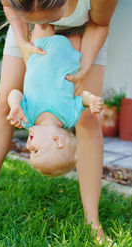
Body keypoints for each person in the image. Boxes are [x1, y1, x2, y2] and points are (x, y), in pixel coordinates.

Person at [0, 0, 118, 244]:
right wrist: (24, 43)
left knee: (87, 121)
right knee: (3, 106)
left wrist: (83, 67)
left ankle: (92, 220)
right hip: (29, 36)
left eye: (50, 18)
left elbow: (100, 22)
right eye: (36, 19)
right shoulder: (25, 15)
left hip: (87, 32)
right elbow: (11, 9)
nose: (46, 24)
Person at [7, 24, 104, 176]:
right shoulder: (70, 118)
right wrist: (91, 100)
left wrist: (14, 105)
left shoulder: (27, 119)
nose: (28, 146)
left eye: (29, 152)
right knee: (76, 34)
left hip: (40, 50)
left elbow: (14, 92)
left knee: (44, 21)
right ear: (57, 141)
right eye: (35, 150)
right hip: (69, 56)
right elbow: (80, 100)